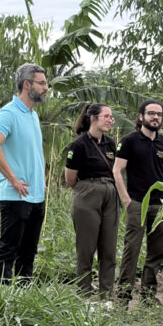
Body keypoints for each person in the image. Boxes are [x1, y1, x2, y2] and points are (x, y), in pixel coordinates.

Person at [0, 63, 48, 283]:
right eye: (42, 83)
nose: (46, 88)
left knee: (28, 252)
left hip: (36, 195)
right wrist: (13, 179)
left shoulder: (33, 115)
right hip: (15, 195)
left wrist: (42, 180)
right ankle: (0, 300)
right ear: (27, 84)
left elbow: (37, 150)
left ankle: (23, 301)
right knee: (9, 250)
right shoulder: (7, 113)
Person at [113, 99, 163, 307]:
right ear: (141, 116)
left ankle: (148, 298)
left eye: (159, 114)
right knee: (131, 250)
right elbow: (116, 170)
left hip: (160, 206)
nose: (155, 117)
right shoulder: (130, 140)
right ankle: (123, 298)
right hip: (138, 203)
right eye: (151, 113)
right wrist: (126, 199)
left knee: (156, 252)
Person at [65, 104, 119, 300]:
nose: (110, 120)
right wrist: (89, 191)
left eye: (111, 117)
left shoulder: (111, 144)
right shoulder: (78, 145)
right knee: (86, 249)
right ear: (93, 118)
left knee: (109, 248)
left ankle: (106, 296)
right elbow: (70, 179)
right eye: (106, 116)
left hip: (110, 193)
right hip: (87, 193)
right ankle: (84, 296)